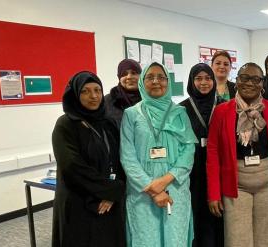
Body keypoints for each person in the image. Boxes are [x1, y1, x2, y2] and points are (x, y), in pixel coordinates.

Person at [206, 63, 268, 247]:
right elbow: (213, 153)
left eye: (255, 79)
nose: (249, 83)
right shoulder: (222, 111)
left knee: (267, 239)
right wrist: (214, 193)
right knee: (237, 240)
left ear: (262, 83)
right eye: (244, 78)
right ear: (236, 81)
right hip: (236, 185)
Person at [120, 62, 197, 246]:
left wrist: (165, 181)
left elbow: (188, 150)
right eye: (150, 77)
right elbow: (127, 156)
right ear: (142, 82)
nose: (156, 81)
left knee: (175, 238)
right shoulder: (131, 114)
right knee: (146, 238)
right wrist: (152, 187)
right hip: (143, 190)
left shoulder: (180, 112)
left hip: (175, 186)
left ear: (168, 82)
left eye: (161, 77)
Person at [51, 71, 126, 247]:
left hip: (108, 203)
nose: (93, 96)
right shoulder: (66, 124)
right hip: (79, 202)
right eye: (85, 91)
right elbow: (72, 167)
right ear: (75, 94)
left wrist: (112, 194)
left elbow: (119, 158)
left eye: (97, 90)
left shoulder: (107, 123)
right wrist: (109, 190)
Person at [179, 63, 225, 247]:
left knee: (221, 218)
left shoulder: (225, 106)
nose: (204, 82)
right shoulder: (181, 109)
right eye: (198, 78)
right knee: (199, 218)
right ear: (191, 81)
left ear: (213, 81)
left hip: (220, 169)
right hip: (194, 172)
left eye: (207, 78)